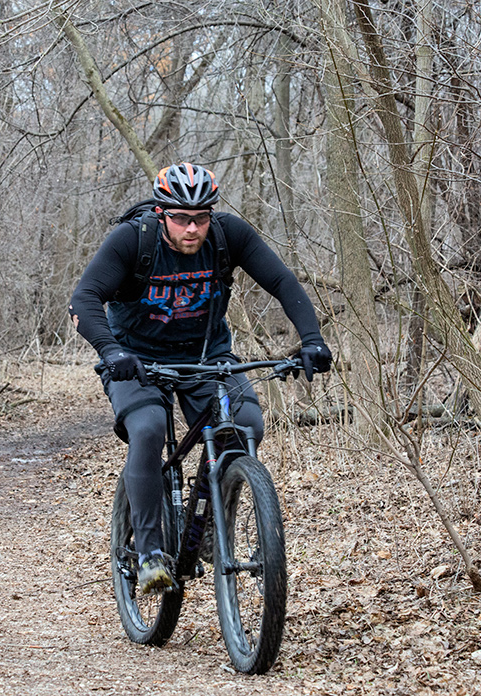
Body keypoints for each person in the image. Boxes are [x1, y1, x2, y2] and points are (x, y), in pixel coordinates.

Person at [69, 162, 332, 594]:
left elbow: (282, 281)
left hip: (207, 355)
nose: (192, 229)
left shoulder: (230, 236)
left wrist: (312, 338)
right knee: (150, 429)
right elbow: (85, 298)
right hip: (136, 360)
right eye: (181, 219)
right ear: (161, 213)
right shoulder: (132, 240)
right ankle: (151, 551)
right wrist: (112, 350)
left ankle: (212, 525)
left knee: (246, 424)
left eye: (201, 218)